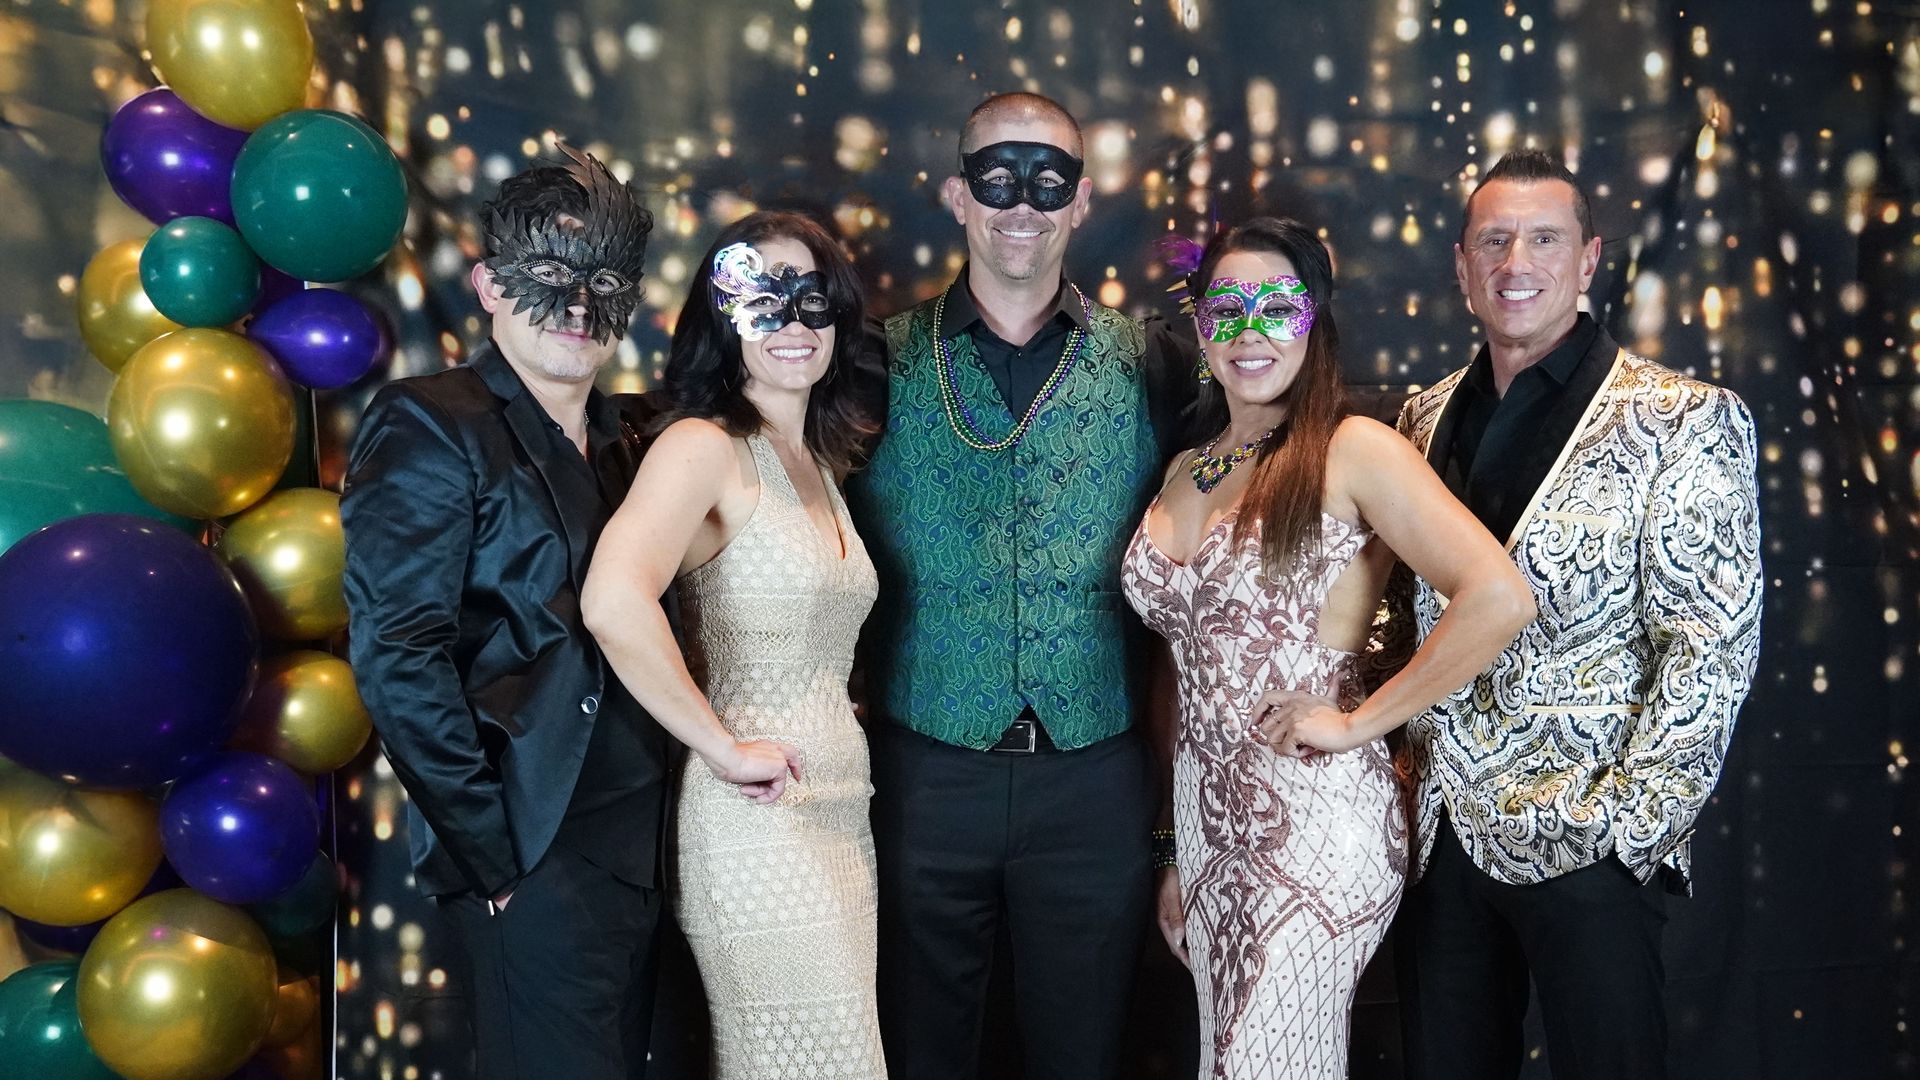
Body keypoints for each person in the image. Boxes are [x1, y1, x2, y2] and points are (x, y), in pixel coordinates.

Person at [1119, 217, 1536, 1079]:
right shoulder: (1189, 467)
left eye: (1278, 308)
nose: (1251, 333)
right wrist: (1172, 848)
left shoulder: (1355, 449)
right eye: (1227, 308)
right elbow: (1181, 668)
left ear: (1314, 319)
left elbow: (1498, 597)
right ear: (1201, 323)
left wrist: (1357, 723)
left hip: (1317, 826)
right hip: (1207, 834)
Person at [1386, 148, 1764, 1080]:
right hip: (1443, 837)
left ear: (1589, 259)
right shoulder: (1418, 420)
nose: (1517, 263)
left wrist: (1625, 832)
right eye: (1494, 241)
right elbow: (1405, 610)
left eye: (1545, 239)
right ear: (1462, 267)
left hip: (1590, 835)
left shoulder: (1684, 419)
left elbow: (1711, 647)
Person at [845, 91, 1196, 1080]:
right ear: (958, 195)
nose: (1022, 205)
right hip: (922, 772)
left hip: (1095, 778)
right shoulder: (871, 360)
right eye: (997, 179)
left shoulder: (1154, 361)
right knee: (919, 1051)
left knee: (1082, 1054)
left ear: (1080, 201)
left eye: (1049, 181)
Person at [342, 146, 672, 1079]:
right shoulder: (430, 422)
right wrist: (494, 856)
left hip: (651, 847)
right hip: (535, 849)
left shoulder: (632, 440)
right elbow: (399, 654)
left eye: (603, 283)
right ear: (488, 286)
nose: (577, 307)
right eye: (548, 277)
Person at [581, 210, 886, 1080]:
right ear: (722, 319)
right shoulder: (701, 445)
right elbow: (613, 600)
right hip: (755, 822)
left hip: (840, 812)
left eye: (812, 299)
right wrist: (720, 746)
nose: (793, 323)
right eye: (763, 299)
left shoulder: (816, 457)